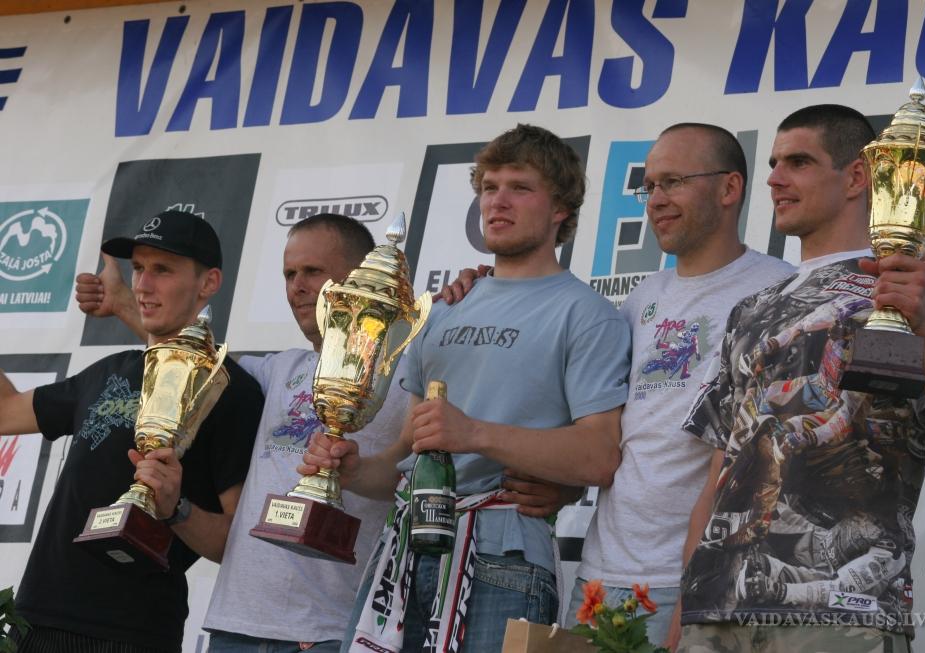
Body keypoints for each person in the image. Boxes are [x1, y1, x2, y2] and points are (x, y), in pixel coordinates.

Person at [76, 212, 573, 652]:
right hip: (236, 625)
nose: (296, 286)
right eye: (289, 274)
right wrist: (125, 307)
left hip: (335, 629)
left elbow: (426, 465)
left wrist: (481, 288)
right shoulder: (276, 369)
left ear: (356, 281)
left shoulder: (413, 367)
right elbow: (188, 368)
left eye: (312, 272)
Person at [302, 124, 632, 653]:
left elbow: (599, 456)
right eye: (489, 187)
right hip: (404, 551)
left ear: (561, 209)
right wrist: (354, 469)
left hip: (502, 558)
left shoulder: (587, 314)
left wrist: (475, 433)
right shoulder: (441, 309)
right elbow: (409, 455)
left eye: (519, 187)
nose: (498, 201)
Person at [676, 105, 925, 652]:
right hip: (718, 613)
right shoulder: (752, 309)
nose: (774, 179)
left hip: (839, 614)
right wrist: (687, 603)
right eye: (773, 163)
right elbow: (722, 467)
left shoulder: (909, 289)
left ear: (857, 177)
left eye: (798, 162)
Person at [566, 124, 795, 648]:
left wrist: (697, 588)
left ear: (729, 188)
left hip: (696, 577)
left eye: (673, 182)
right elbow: (604, 431)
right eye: (649, 186)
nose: (656, 200)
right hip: (600, 576)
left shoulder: (780, 290)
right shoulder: (640, 297)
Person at [0, 210, 264, 653]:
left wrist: (176, 508)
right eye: (139, 268)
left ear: (209, 282)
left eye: (162, 269)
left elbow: (235, 544)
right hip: (37, 619)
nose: (143, 284)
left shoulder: (230, 392)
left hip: (133, 633)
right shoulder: (109, 370)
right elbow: (6, 413)